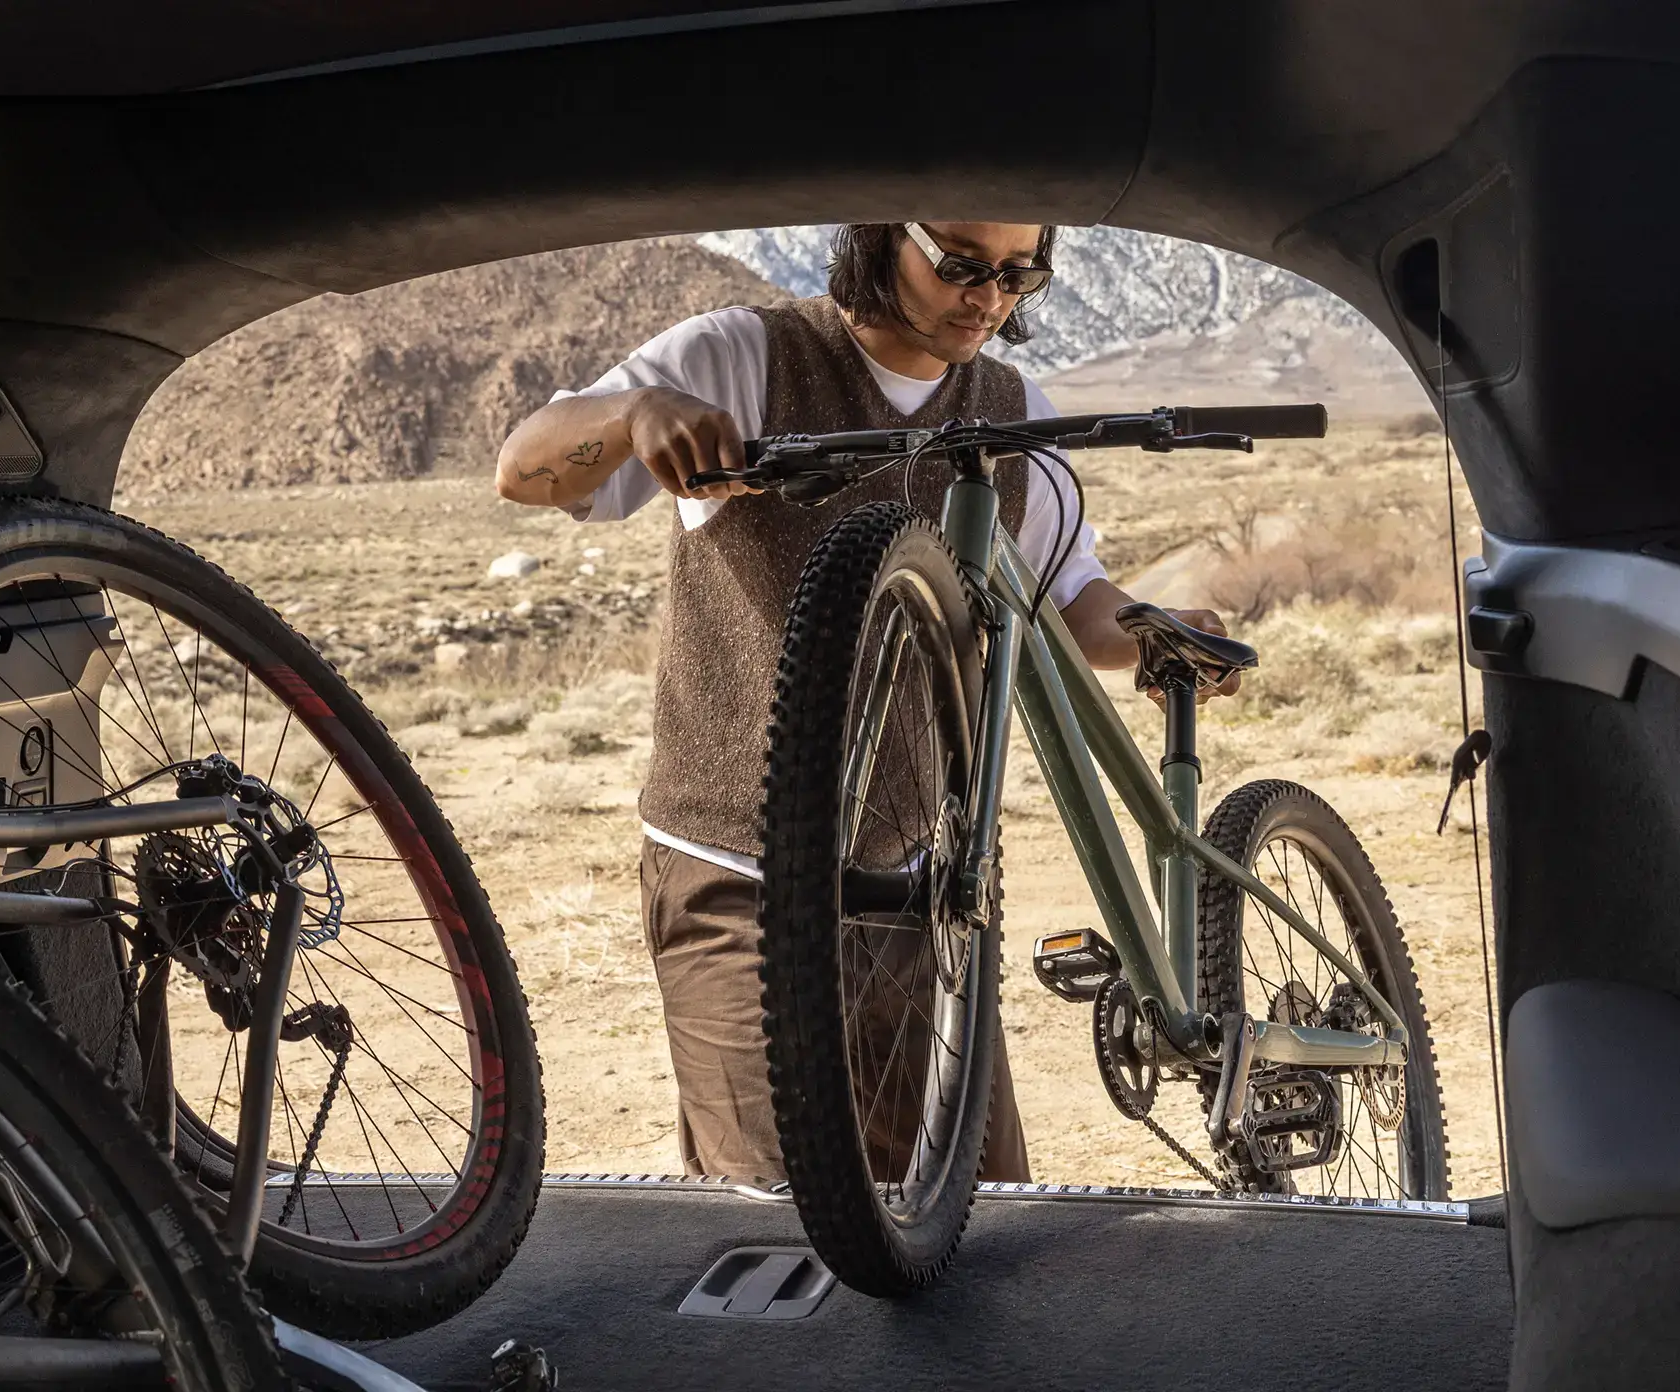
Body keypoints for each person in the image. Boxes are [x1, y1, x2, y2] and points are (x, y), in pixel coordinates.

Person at [495, 222, 1233, 1183]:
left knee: (976, 1223)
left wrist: (1158, 629)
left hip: (926, 889)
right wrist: (638, 411)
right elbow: (522, 467)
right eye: (961, 265)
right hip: (737, 876)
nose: (989, 297)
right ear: (886, 236)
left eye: (1021, 273)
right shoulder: (741, 356)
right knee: (780, 1217)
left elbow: (1070, 599)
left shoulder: (1013, 408)